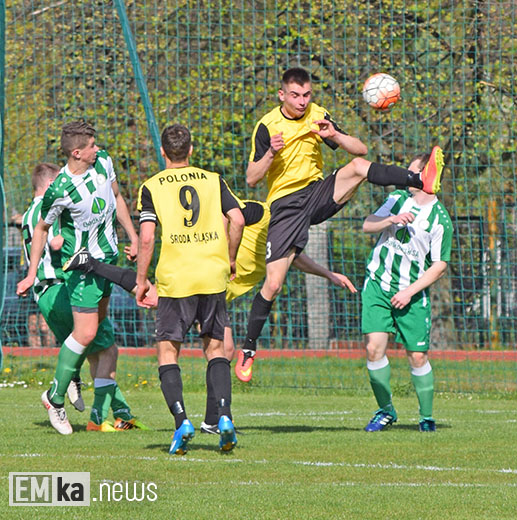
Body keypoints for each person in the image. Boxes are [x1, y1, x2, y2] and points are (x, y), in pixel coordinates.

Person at [64, 197, 357, 434]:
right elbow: (224, 214)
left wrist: (328, 274)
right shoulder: (261, 211)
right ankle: (89, 263)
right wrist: (224, 255)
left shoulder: (284, 233)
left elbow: (291, 258)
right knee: (156, 299)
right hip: (198, 276)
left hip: (217, 291)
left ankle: (210, 422)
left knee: (222, 349)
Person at [237, 66, 443, 381]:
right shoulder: (267, 126)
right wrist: (270, 155)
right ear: (282, 95)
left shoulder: (318, 114)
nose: (302, 101)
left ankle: (420, 179)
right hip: (285, 206)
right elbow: (252, 178)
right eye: (295, 95)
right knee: (274, 283)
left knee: (359, 165)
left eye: (306, 95)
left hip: (317, 193)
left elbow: (361, 150)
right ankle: (249, 349)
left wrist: (334, 135)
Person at [17, 122, 139, 435]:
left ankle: (99, 417)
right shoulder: (59, 189)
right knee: (86, 334)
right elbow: (42, 229)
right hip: (83, 267)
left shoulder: (104, 162)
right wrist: (32, 274)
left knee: (101, 338)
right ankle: (55, 398)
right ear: (76, 152)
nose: (97, 148)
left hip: (108, 260)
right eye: (91, 145)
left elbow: (117, 198)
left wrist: (133, 236)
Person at [135, 123, 245, 455]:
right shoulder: (212, 180)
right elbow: (237, 219)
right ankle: (224, 417)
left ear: (163, 152)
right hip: (212, 275)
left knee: (168, 353)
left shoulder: (152, 186)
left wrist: (141, 281)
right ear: (192, 151)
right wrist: (230, 258)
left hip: (176, 279)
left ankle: (182, 421)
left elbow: (147, 237)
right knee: (215, 350)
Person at [360, 153, 452, 433]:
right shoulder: (398, 199)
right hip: (377, 284)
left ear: (427, 175)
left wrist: (410, 291)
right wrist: (391, 220)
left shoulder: (440, 220)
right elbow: (367, 224)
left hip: (411, 294)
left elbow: (439, 266)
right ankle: (386, 410)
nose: (405, 177)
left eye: (411, 172)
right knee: (374, 348)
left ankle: (425, 416)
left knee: (417, 357)